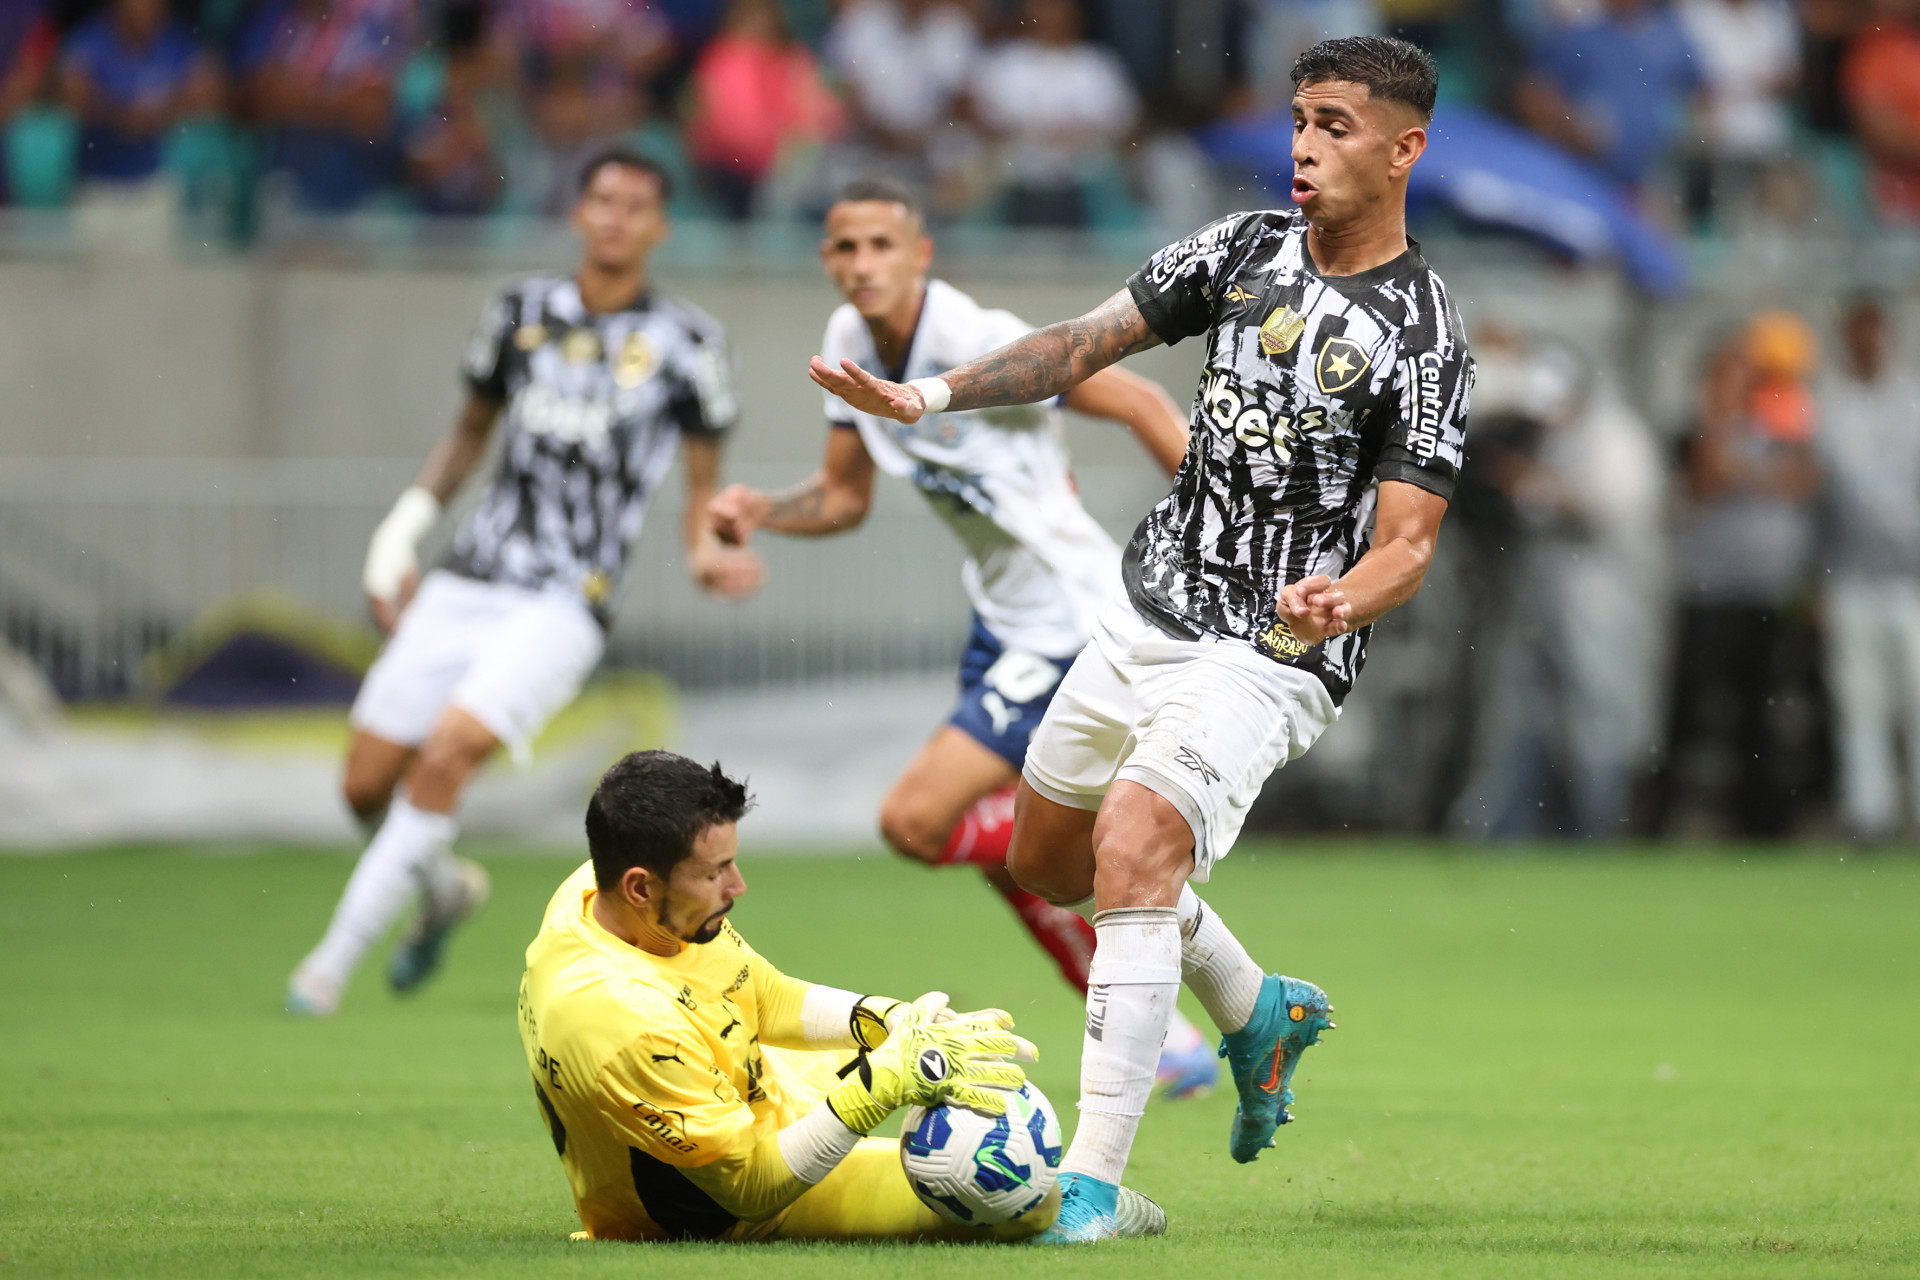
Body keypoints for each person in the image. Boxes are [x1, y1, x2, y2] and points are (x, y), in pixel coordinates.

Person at [810, 36, 1472, 1239]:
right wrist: (931, 394)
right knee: (1050, 862)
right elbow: (1081, 343)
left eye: (1333, 124)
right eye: (1300, 119)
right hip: (1145, 603)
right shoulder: (1239, 248)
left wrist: (1347, 598)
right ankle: (1256, 1002)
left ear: (1403, 147)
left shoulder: (1424, 334)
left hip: (1270, 650)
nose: (1304, 145)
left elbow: (1410, 540)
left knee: (1135, 840)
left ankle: (1094, 1187)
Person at [707, 174, 1218, 1095]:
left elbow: (1140, 403)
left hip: (1064, 622)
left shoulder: (977, 340)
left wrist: (1229, 533)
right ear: (826, 259)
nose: (861, 265)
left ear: (921, 253)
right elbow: (845, 498)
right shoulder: (848, 340)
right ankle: (1167, 1030)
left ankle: (1108, 863)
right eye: (844, 248)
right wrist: (762, 510)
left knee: (915, 820)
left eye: (880, 246)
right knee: (1013, 865)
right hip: (1002, 622)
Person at [286, 150, 762, 1017]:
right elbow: (468, 433)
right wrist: (400, 534)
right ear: (578, 212)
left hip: (566, 598)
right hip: (470, 575)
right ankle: (441, 888)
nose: (617, 217)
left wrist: (704, 553)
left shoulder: (691, 345)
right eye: (603, 199)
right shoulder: (518, 311)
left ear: (660, 226)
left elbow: (699, 485)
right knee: (363, 784)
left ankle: (324, 970)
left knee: (447, 756)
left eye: (637, 205)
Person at [517, 749, 1166, 1242]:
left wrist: (890, 1021)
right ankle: (1084, 1205)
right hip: (708, 1203)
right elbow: (748, 1185)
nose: (737, 885)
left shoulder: (609, 895)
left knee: (932, 1051)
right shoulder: (617, 1016)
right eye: (715, 872)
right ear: (638, 886)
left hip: (746, 1079)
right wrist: (878, 1086)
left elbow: (760, 996)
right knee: (1016, 1191)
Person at [1654, 313, 1820, 838]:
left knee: (1760, 711)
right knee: (1692, 708)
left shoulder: (1777, 425)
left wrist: (1749, 472)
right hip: (1708, 590)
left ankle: (1763, 822)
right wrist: (1728, 436)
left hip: (1763, 592)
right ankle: (1666, 818)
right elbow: (1708, 479)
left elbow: (1802, 480)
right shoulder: (1695, 427)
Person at [1815, 296, 1920, 838]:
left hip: (1912, 577)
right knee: (1859, 705)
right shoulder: (1828, 405)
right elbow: (1818, 499)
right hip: (1852, 574)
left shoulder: (1913, 403)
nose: (1868, 344)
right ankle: (1869, 815)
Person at [968, 0, 1139, 227]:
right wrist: (1029, 134)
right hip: (1016, 178)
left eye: (1058, 8)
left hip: (1084, 182)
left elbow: (1126, 127)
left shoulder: (1097, 66)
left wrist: (1079, 136)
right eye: (1043, 7)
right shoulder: (1004, 64)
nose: (1051, 16)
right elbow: (979, 121)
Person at [58, 0, 221, 186]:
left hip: (159, 177)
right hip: (96, 177)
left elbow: (208, 93)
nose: (145, 6)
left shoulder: (179, 40)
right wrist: (122, 116)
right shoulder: (89, 40)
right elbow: (72, 99)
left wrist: (156, 115)